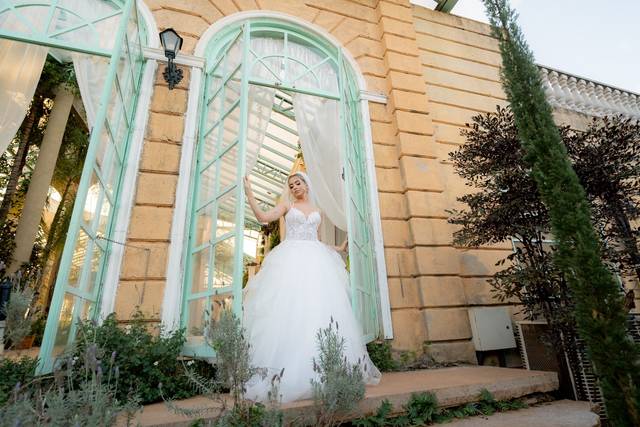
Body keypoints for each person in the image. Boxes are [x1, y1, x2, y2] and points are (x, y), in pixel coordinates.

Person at [242, 171, 381, 403]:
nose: (295, 187)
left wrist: (337, 247)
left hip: (316, 261)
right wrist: (250, 193)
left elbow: (316, 240)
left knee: (320, 311)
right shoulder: (286, 206)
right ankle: (288, 371)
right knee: (291, 311)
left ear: (306, 184)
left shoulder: (318, 212)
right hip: (291, 260)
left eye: (298, 183)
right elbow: (263, 217)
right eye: (291, 184)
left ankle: (326, 370)